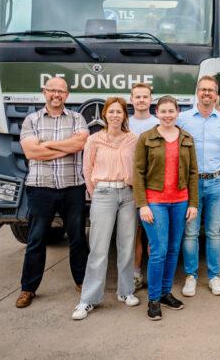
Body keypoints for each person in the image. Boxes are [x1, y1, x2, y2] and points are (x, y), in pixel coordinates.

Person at [15, 77, 89, 309]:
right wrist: (63, 147)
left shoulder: (78, 118)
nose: (56, 95)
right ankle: (28, 288)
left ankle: (82, 282)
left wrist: (45, 145)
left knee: (77, 238)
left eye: (61, 91)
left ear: (67, 95)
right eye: (52, 90)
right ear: (44, 92)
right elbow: (30, 152)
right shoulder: (31, 120)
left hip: (73, 187)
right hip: (41, 187)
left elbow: (79, 145)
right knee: (36, 239)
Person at [72, 97, 139, 320]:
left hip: (128, 194)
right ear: (105, 115)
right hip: (103, 193)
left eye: (119, 112)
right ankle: (88, 300)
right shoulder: (94, 140)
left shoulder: (133, 139)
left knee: (126, 245)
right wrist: (96, 192)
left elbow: (138, 168)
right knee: (99, 248)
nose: (115, 116)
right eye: (111, 112)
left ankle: (126, 291)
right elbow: (87, 168)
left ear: (124, 116)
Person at [133, 95, 199, 321]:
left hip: (180, 201)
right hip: (155, 202)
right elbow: (138, 173)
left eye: (171, 111)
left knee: (173, 249)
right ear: (157, 112)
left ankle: (165, 292)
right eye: (163, 111)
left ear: (177, 112)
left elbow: (192, 173)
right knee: (159, 250)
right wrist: (142, 204)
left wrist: (193, 203)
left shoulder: (186, 138)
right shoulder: (146, 138)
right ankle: (153, 299)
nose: (168, 115)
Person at [177, 76, 220, 298]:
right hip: (190, 183)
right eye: (203, 89)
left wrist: (213, 171)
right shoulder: (183, 119)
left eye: (211, 90)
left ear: (217, 94)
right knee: (190, 232)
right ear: (197, 92)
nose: (207, 93)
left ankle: (214, 276)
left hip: (216, 181)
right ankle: (191, 276)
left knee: (213, 231)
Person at [128, 83, 159, 290]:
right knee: (134, 232)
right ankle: (136, 273)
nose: (141, 100)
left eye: (145, 96)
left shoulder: (159, 123)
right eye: (137, 97)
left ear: (151, 100)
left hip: (154, 185)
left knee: (153, 232)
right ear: (131, 99)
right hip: (130, 185)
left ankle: (153, 274)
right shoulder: (124, 123)